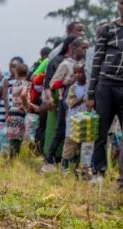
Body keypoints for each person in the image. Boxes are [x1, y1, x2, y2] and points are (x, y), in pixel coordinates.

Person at [88, 0, 123, 189]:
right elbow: (96, 62)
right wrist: (91, 95)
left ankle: (121, 181)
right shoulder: (108, 30)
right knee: (101, 131)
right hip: (106, 85)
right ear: (118, 5)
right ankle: (98, 171)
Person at [41, 37, 88, 173]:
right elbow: (53, 83)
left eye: (87, 48)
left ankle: (78, 164)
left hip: (83, 103)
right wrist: (68, 81)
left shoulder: (86, 64)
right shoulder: (65, 64)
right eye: (83, 48)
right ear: (73, 48)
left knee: (81, 133)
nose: (85, 50)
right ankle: (50, 158)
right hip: (68, 101)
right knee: (62, 131)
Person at [62, 62, 89, 173]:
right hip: (73, 119)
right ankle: (65, 166)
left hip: (86, 119)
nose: (78, 75)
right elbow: (71, 103)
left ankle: (80, 167)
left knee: (84, 143)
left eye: (80, 72)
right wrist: (82, 99)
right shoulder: (73, 87)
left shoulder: (89, 86)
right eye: (75, 73)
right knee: (70, 143)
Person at [3, 63, 29, 158]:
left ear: (16, 73)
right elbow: (23, 95)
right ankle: (13, 160)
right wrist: (26, 106)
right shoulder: (26, 84)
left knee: (12, 138)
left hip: (12, 112)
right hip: (20, 113)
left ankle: (10, 158)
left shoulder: (15, 84)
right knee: (18, 139)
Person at [0, 57, 25, 138]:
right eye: (10, 67)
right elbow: (4, 96)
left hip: (16, 107)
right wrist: (7, 110)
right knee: (2, 124)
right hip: (5, 106)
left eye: (14, 67)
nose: (12, 69)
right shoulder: (6, 80)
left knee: (13, 126)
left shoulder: (23, 81)